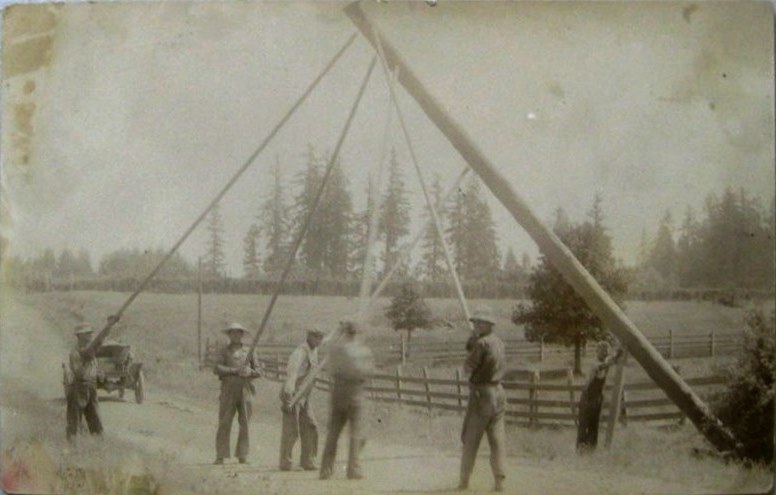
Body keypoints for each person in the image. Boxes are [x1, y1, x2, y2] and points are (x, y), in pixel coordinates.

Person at [458, 306, 506, 492]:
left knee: (470, 438)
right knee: (497, 439)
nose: (476, 325)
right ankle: (500, 480)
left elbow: (468, 368)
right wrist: (474, 341)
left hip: (482, 394)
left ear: (488, 324)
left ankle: (464, 481)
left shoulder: (482, 343)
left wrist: (473, 345)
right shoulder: (498, 342)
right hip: (499, 393)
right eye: (475, 322)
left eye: (480, 322)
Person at [319, 319, 373, 481]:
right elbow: (367, 371)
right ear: (356, 334)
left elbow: (329, 365)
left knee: (333, 433)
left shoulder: (335, 349)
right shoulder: (362, 351)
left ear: (345, 333)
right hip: (355, 392)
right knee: (357, 432)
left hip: (337, 392)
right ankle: (353, 469)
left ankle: (326, 469)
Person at [213, 322, 262, 465]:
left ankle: (242, 454)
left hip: (245, 390)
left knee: (245, 422)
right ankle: (221, 455)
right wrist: (234, 371)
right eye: (233, 332)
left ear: (242, 335)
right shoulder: (223, 350)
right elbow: (216, 368)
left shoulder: (250, 351)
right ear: (229, 334)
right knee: (224, 421)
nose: (236, 335)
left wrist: (250, 372)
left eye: (238, 332)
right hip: (228, 389)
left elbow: (259, 371)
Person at [279, 329, 324, 471]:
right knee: (291, 430)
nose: (318, 340)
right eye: (316, 337)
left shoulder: (314, 351)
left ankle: (308, 461)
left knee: (311, 426)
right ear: (309, 336)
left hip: (304, 396)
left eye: (320, 337)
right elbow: (292, 373)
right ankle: (286, 463)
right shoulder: (300, 352)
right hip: (293, 393)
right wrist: (289, 396)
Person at [65, 317, 116, 440]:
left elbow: (100, 340)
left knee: (95, 417)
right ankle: (72, 443)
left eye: (90, 333)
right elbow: (78, 373)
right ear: (80, 336)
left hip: (91, 386)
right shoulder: (75, 353)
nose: (90, 335)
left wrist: (110, 325)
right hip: (79, 387)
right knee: (74, 419)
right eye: (87, 333)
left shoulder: (90, 350)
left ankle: (98, 441)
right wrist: (86, 361)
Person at [576, 341, 623, 453]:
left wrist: (618, 354)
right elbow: (602, 366)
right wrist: (615, 358)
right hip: (588, 397)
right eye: (602, 351)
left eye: (606, 351)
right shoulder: (594, 363)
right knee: (584, 424)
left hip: (597, 398)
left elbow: (610, 360)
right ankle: (580, 451)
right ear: (597, 352)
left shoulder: (606, 361)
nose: (604, 353)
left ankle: (591, 450)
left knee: (594, 424)